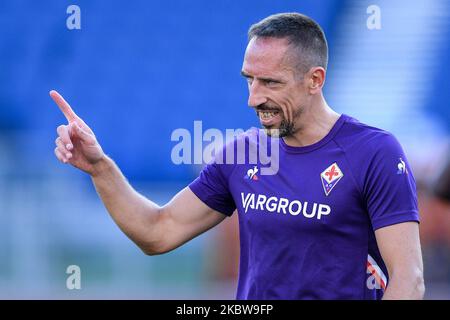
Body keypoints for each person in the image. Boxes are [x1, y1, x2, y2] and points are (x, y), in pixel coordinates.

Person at [51, 13, 425, 300]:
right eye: (250, 80)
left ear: (314, 80)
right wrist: (100, 168)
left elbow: (408, 279)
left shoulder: (374, 153)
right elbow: (157, 231)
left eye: (271, 83)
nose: (254, 98)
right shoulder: (242, 153)